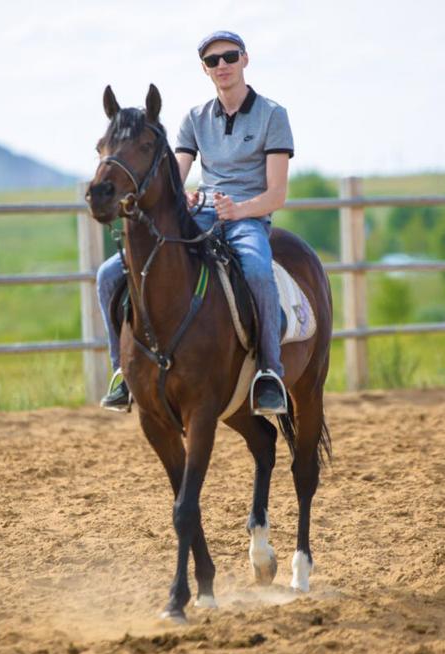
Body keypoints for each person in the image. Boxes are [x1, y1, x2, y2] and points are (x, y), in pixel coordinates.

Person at [97, 30, 293, 416]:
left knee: (255, 269)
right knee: (106, 275)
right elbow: (176, 174)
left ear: (245, 60)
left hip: (246, 218)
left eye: (230, 57)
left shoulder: (273, 115)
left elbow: (277, 195)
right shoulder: (195, 118)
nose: (222, 65)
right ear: (204, 69)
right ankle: (122, 372)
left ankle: (270, 372)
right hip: (202, 213)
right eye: (212, 60)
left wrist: (238, 209)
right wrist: (185, 195)